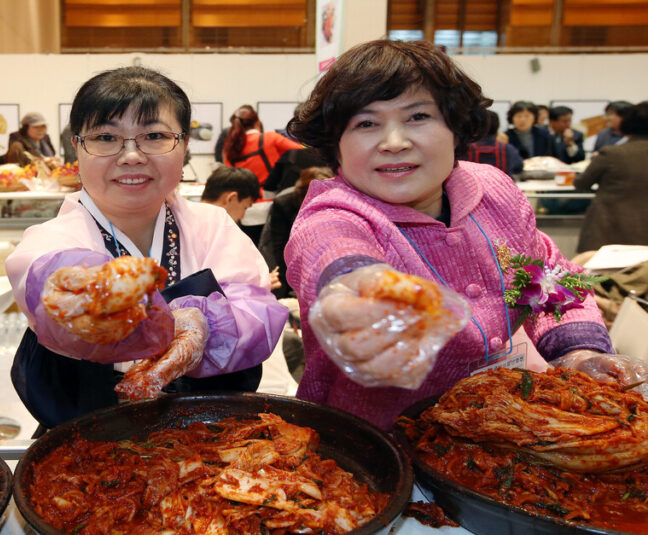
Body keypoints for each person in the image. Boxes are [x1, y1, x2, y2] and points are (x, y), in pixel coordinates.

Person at [284, 39, 629, 431]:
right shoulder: (333, 215)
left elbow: (550, 277)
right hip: (375, 446)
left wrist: (579, 352)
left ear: (455, 128)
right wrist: (363, 300)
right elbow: (336, 258)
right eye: (366, 123)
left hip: (502, 427)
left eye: (418, 117)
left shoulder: (493, 191)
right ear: (336, 147)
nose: (394, 142)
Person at [5, 66, 287, 431]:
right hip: (83, 445)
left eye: (154, 135)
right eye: (106, 137)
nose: (131, 155)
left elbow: (259, 313)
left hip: (210, 440)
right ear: (77, 147)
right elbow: (51, 285)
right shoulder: (48, 241)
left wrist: (208, 326)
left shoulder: (213, 225)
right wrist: (100, 295)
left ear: (184, 145)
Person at [575, 101, 648, 253]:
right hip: (643, 236)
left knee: (603, 275)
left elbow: (582, 183)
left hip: (609, 230)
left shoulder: (612, 154)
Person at [259, 166, 334, 299]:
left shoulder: (336, 200)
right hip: (290, 257)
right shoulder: (284, 203)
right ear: (303, 193)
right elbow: (281, 245)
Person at [222, 105, 303, 187]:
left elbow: (230, 175)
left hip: (243, 197)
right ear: (257, 123)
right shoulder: (270, 138)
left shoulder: (230, 147)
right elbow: (304, 152)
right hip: (269, 195)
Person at [464, 109, 523, 178]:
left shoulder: (464, 149)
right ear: (497, 127)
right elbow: (519, 167)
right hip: (501, 187)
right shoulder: (507, 149)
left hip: (472, 187)